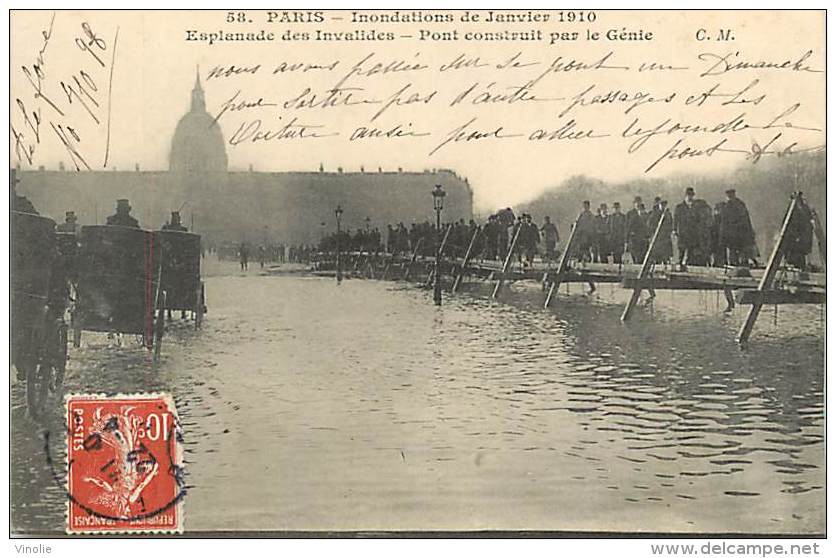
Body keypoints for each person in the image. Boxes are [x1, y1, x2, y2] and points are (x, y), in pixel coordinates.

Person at [719, 189, 756, 266]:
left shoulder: (737, 205)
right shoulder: (732, 206)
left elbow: (746, 220)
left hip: (738, 234)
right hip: (735, 234)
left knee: (738, 251)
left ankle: (739, 264)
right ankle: (737, 264)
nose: (729, 197)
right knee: (735, 251)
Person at [784, 192, 814, 270]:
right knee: (794, 257)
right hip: (794, 240)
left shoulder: (803, 210)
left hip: (798, 241)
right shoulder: (794, 209)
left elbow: (807, 226)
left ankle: (799, 268)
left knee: (798, 257)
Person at [626, 196, 648, 264]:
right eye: (636, 203)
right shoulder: (630, 214)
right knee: (636, 258)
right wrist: (626, 240)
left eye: (639, 202)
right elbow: (627, 227)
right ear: (634, 204)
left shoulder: (645, 215)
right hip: (634, 240)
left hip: (643, 241)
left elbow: (647, 227)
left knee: (642, 258)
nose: (638, 204)